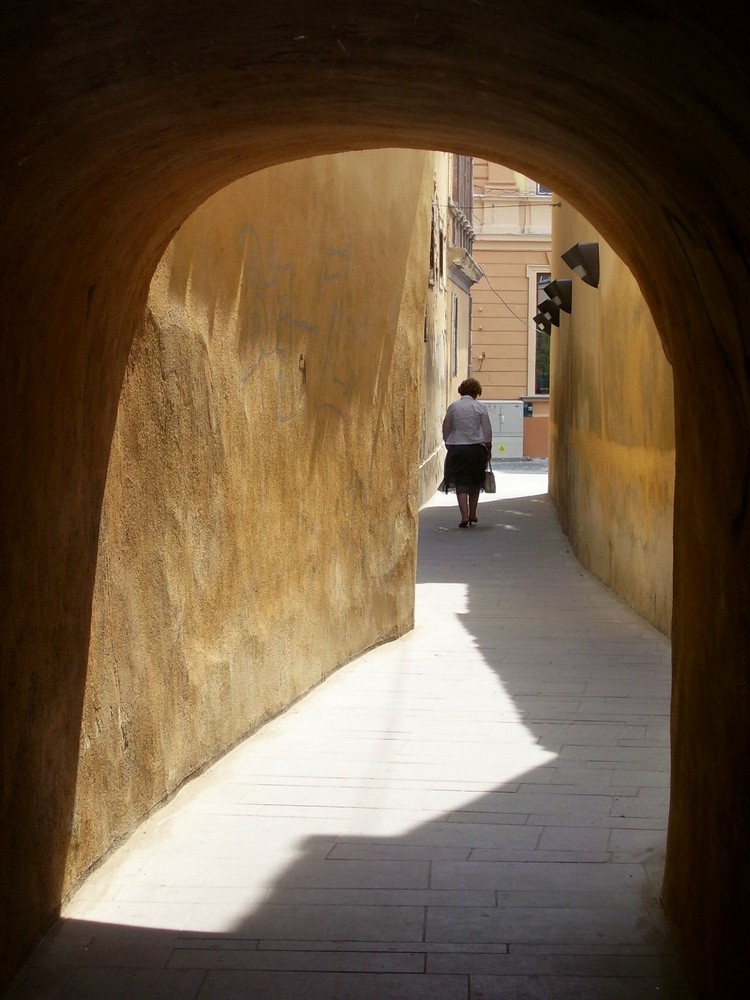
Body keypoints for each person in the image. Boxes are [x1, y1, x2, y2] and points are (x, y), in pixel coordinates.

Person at [439, 378, 493, 528]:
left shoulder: (453, 407)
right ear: (477, 392)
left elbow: (446, 426)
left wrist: (448, 441)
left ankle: (463, 515)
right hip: (476, 449)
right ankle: (473, 514)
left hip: (457, 448)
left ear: (461, 390)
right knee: (475, 482)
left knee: (460, 483)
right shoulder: (480, 407)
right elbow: (487, 430)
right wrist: (488, 447)